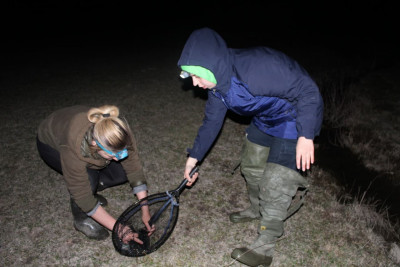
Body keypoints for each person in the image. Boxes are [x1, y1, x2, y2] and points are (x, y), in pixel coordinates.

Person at [178, 28, 323, 266]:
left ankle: (264, 248)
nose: (195, 83)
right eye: (190, 77)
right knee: (251, 165)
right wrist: (193, 158)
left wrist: (305, 135)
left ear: (211, 67)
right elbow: (212, 122)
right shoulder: (217, 87)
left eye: (196, 76)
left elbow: (307, 89)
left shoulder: (256, 68)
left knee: (276, 181)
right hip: (265, 118)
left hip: (294, 117)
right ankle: (257, 209)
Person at [36, 105, 154, 243]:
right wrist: (119, 228)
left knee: (122, 173)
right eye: (113, 154)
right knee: (88, 179)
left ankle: (95, 190)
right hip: (49, 143)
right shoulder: (73, 148)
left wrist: (145, 210)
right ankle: (82, 220)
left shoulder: (118, 131)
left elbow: (134, 169)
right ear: (94, 144)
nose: (119, 158)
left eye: (122, 151)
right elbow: (82, 196)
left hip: (83, 137)